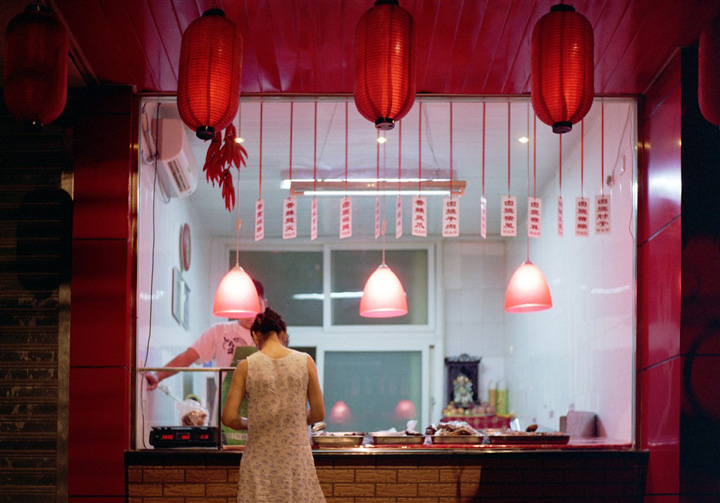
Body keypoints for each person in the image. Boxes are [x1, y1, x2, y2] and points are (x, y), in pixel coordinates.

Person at [222, 308, 326, 503]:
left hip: (259, 463)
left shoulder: (246, 367)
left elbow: (228, 418)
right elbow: (318, 414)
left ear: (255, 335)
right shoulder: (305, 362)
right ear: (283, 333)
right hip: (295, 461)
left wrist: (249, 423)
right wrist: (294, 418)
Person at [145, 279, 266, 391]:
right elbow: (187, 357)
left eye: (256, 305)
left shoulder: (272, 336)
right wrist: (157, 376)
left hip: (262, 409)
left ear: (264, 304)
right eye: (244, 305)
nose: (250, 314)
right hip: (226, 408)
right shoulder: (219, 331)